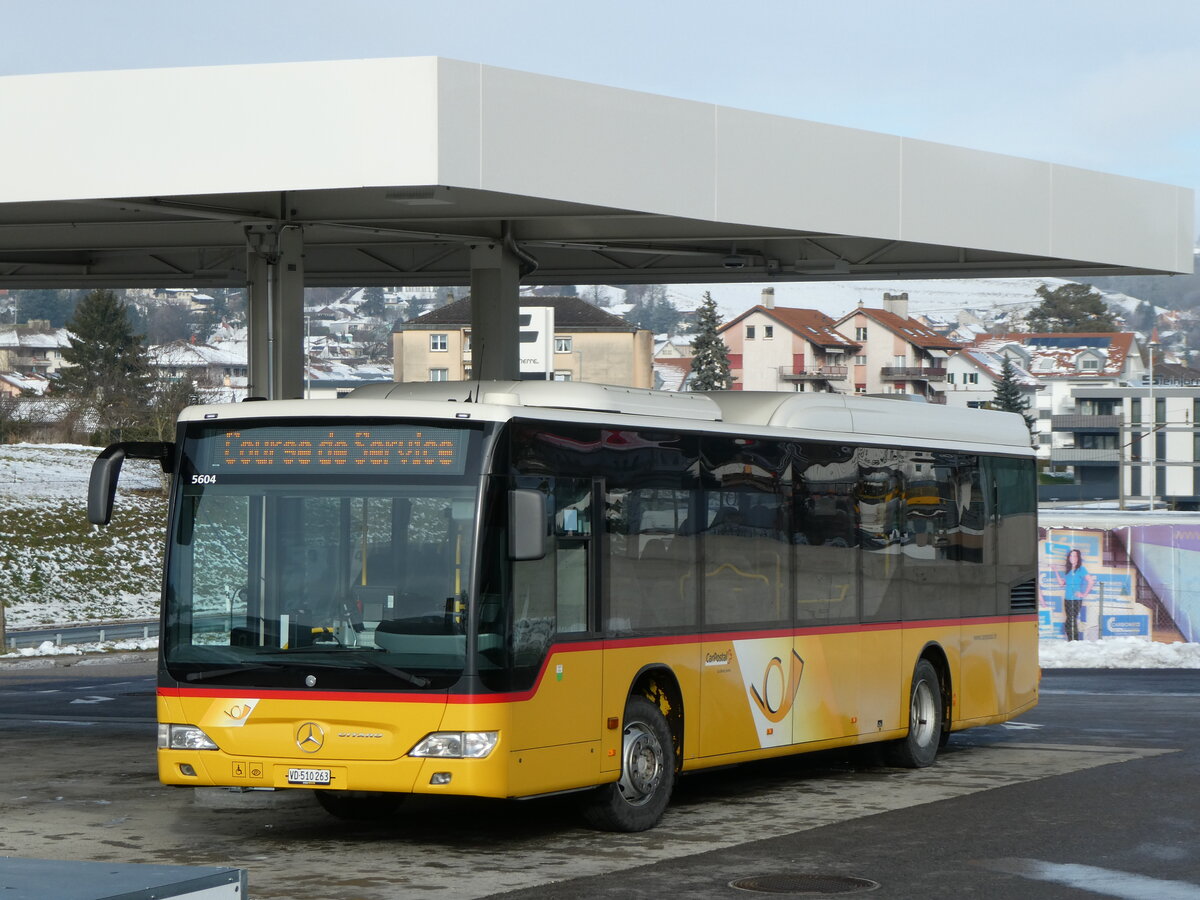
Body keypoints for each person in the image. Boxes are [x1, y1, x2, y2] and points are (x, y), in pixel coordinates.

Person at [1055, 548, 1095, 641]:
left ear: (1078, 558)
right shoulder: (1068, 570)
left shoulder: (1081, 569)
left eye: (1075, 556)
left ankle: (1074, 641)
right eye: (1071, 555)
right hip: (1067, 599)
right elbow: (1061, 583)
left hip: (1076, 599)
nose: (1072, 557)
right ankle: (1072, 641)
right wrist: (1055, 571)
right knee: (1070, 621)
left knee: (1071, 621)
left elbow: (1091, 581)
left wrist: (1084, 594)